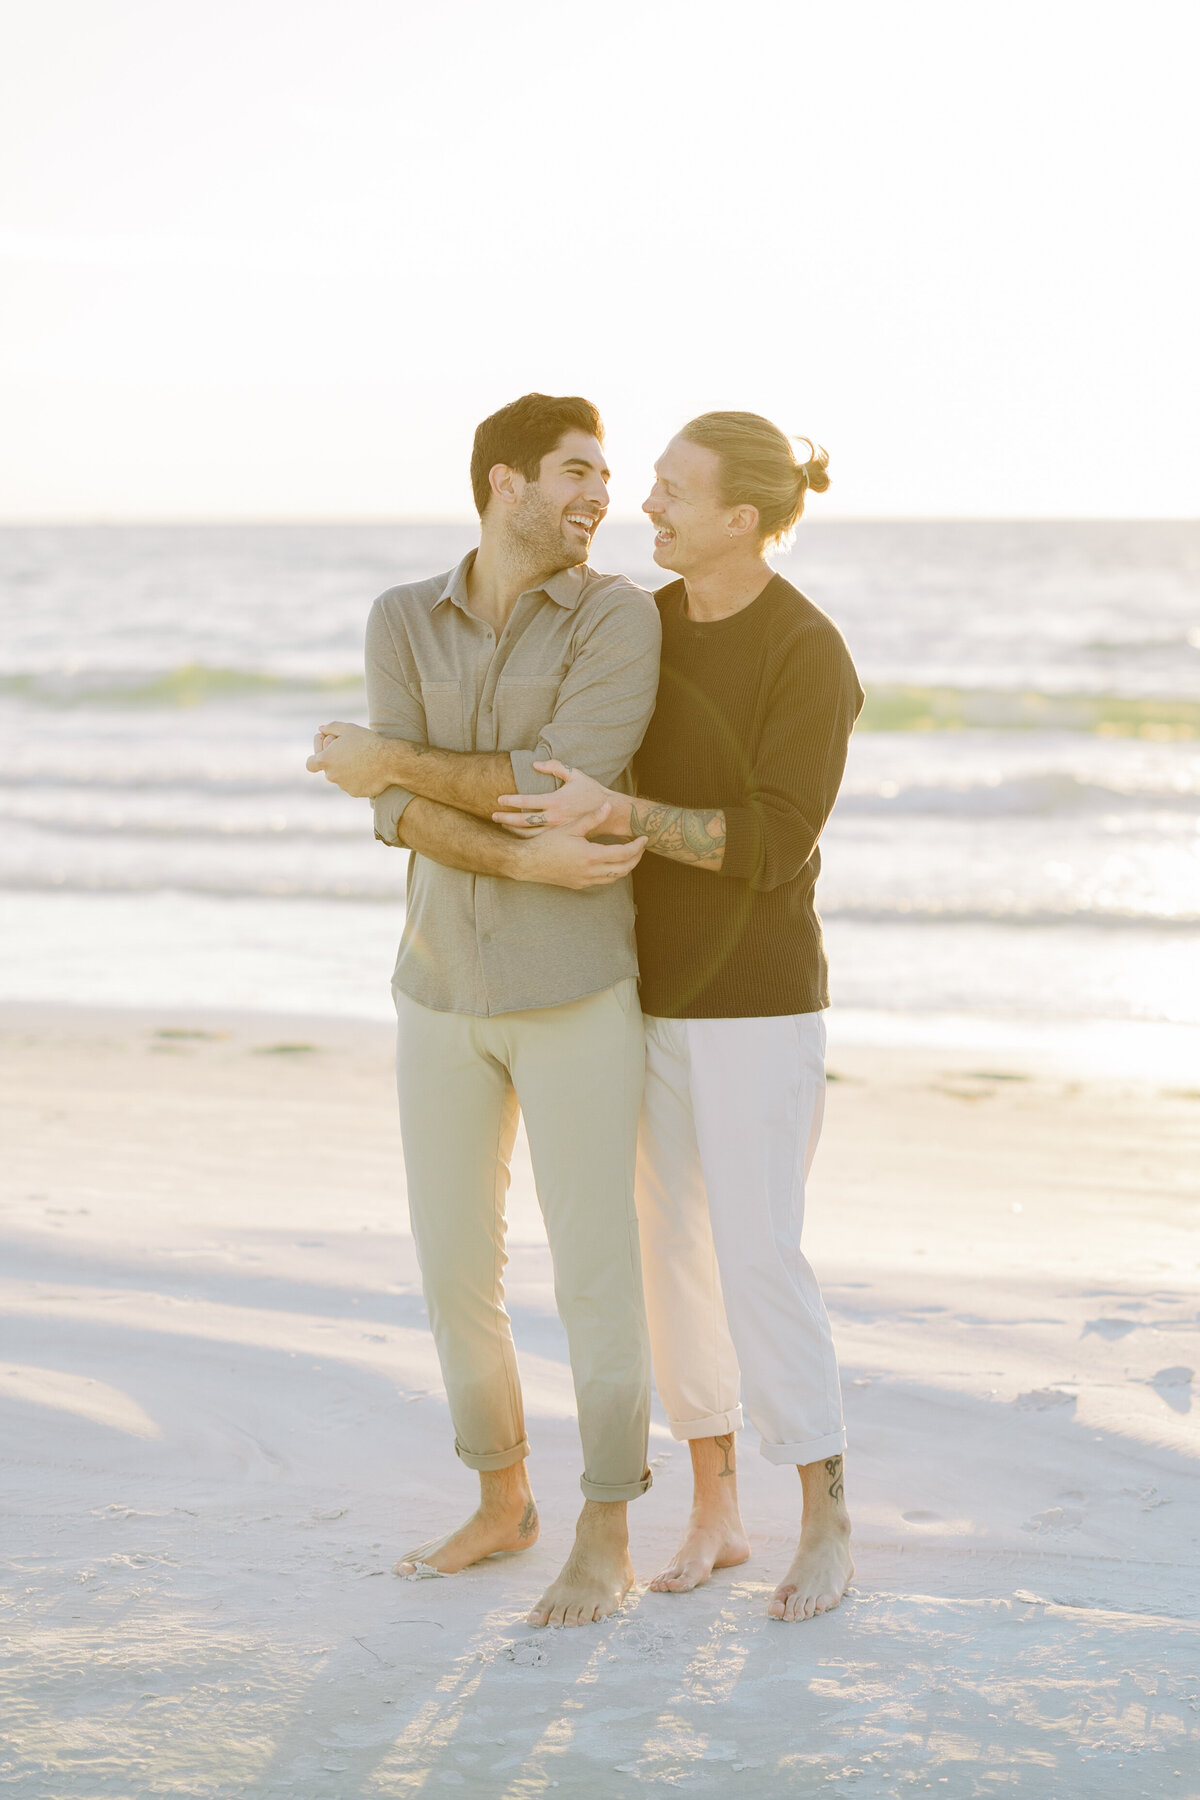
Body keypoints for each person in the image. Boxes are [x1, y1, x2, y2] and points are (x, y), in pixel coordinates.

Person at [494, 411, 863, 1622]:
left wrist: (616, 814)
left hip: (759, 1002)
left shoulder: (809, 653)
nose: (647, 506)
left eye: (672, 492)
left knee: (761, 1258)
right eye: (650, 486)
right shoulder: (643, 625)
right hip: (642, 990)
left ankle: (827, 1521)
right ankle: (715, 1507)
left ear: (743, 520)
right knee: (670, 1264)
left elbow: (768, 843)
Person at [307, 393, 661, 1628]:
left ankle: (605, 1524)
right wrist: (505, 853)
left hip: (575, 992)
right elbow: (390, 813)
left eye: (607, 479)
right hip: (438, 989)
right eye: (576, 472)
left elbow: (552, 787)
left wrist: (391, 760)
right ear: (503, 482)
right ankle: (502, 1499)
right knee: (456, 1266)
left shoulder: (617, 614)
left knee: (596, 1271)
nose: (599, 498)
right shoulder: (404, 616)